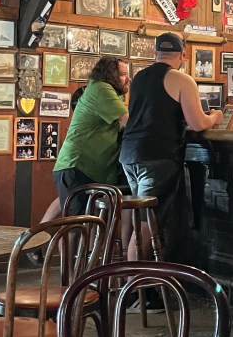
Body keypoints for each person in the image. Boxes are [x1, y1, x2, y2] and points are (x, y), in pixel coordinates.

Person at [120, 31, 223, 261]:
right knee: (147, 225)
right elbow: (198, 123)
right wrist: (216, 116)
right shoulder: (182, 79)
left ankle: (141, 284)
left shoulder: (139, 77)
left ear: (156, 53)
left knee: (144, 220)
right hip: (156, 157)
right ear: (183, 56)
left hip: (129, 154)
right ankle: (134, 290)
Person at [53, 58, 130, 215]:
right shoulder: (102, 89)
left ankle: (38, 237)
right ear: (110, 75)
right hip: (78, 167)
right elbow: (129, 122)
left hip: (83, 169)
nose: (128, 79)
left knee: (81, 227)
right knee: (75, 230)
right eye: (123, 74)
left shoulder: (99, 89)